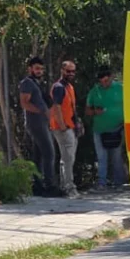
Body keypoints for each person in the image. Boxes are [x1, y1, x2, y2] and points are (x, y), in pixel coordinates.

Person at [19, 56, 60, 197]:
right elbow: (24, 103)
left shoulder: (37, 83)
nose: (39, 71)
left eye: (41, 69)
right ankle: (50, 186)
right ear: (30, 69)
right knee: (49, 152)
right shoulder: (27, 83)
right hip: (35, 123)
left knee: (39, 155)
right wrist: (41, 111)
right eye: (37, 68)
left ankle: (37, 185)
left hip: (42, 122)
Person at [86, 66, 125, 191]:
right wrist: (95, 111)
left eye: (106, 81)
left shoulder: (121, 89)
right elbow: (87, 110)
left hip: (117, 129)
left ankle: (118, 183)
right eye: (101, 82)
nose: (104, 84)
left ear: (111, 77)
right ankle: (102, 183)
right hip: (100, 130)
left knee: (116, 157)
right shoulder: (94, 91)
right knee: (102, 157)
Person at [50, 60, 82, 198]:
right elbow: (56, 107)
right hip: (63, 128)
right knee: (68, 158)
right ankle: (69, 188)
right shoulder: (58, 87)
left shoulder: (69, 87)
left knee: (69, 158)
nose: (71, 74)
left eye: (73, 71)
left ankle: (66, 186)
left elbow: (71, 108)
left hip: (71, 126)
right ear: (62, 71)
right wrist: (62, 126)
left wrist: (78, 123)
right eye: (68, 71)